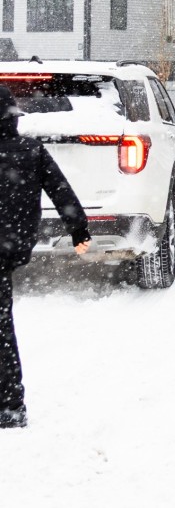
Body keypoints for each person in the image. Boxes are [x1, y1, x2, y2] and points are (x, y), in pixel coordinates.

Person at [0, 86, 91, 429]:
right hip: (10, 247)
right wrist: (78, 228)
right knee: (2, 328)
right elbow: (60, 189)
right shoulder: (31, 150)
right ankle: (10, 407)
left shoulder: (31, 150)